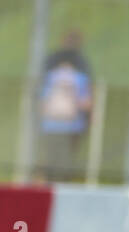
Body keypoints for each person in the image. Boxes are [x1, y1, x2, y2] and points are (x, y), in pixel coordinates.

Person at [39, 30, 94, 182]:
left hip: (50, 123)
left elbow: (42, 101)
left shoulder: (51, 73)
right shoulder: (81, 73)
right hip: (72, 124)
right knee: (65, 164)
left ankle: (48, 183)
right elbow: (87, 102)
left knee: (50, 160)